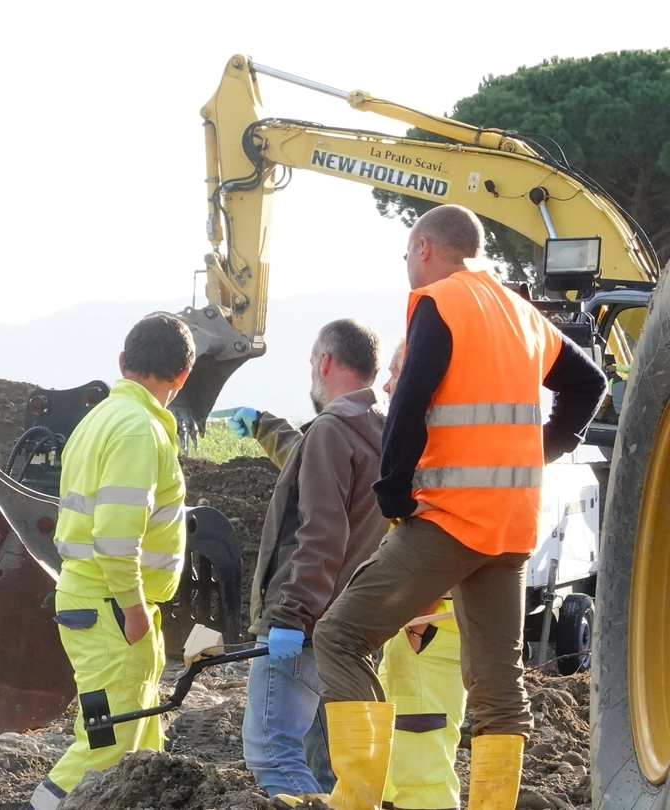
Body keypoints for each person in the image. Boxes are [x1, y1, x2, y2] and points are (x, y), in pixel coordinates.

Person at [304, 205, 605, 810]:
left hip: (449, 521)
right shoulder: (521, 313)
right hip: (513, 526)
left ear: (423, 248)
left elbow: (411, 401)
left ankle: (354, 800)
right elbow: (590, 382)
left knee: (339, 637)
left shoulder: (439, 302)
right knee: (499, 684)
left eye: (407, 258)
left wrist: (393, 494)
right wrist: (546, 448)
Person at [26, 314, 195, 810]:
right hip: (114, 610)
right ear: (183, 377)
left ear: (122, 363)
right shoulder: (139, 429)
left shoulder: (98, 419)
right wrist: (135, 609)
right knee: (109, 739)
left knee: (138, 735)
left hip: (98, 605)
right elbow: (117, 539)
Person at [223, 319, 387, 800]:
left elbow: (321, 534)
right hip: (347, 626)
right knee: (330, 765)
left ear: (326, 361)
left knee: (272, 753)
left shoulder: (333, 430)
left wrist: (290, 616)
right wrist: (263, 424)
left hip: (306, 626)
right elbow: (315, 466)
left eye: (312, 360)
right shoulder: (377, 429)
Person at [379, 338, 471, 810]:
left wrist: (418, 610)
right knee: (405, 770)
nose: (388, 383)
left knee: (422, 772)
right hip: (426, 626)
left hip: (428, 627)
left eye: (397, 372)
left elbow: (437, 535)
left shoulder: (435, 448)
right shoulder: (456, 441)